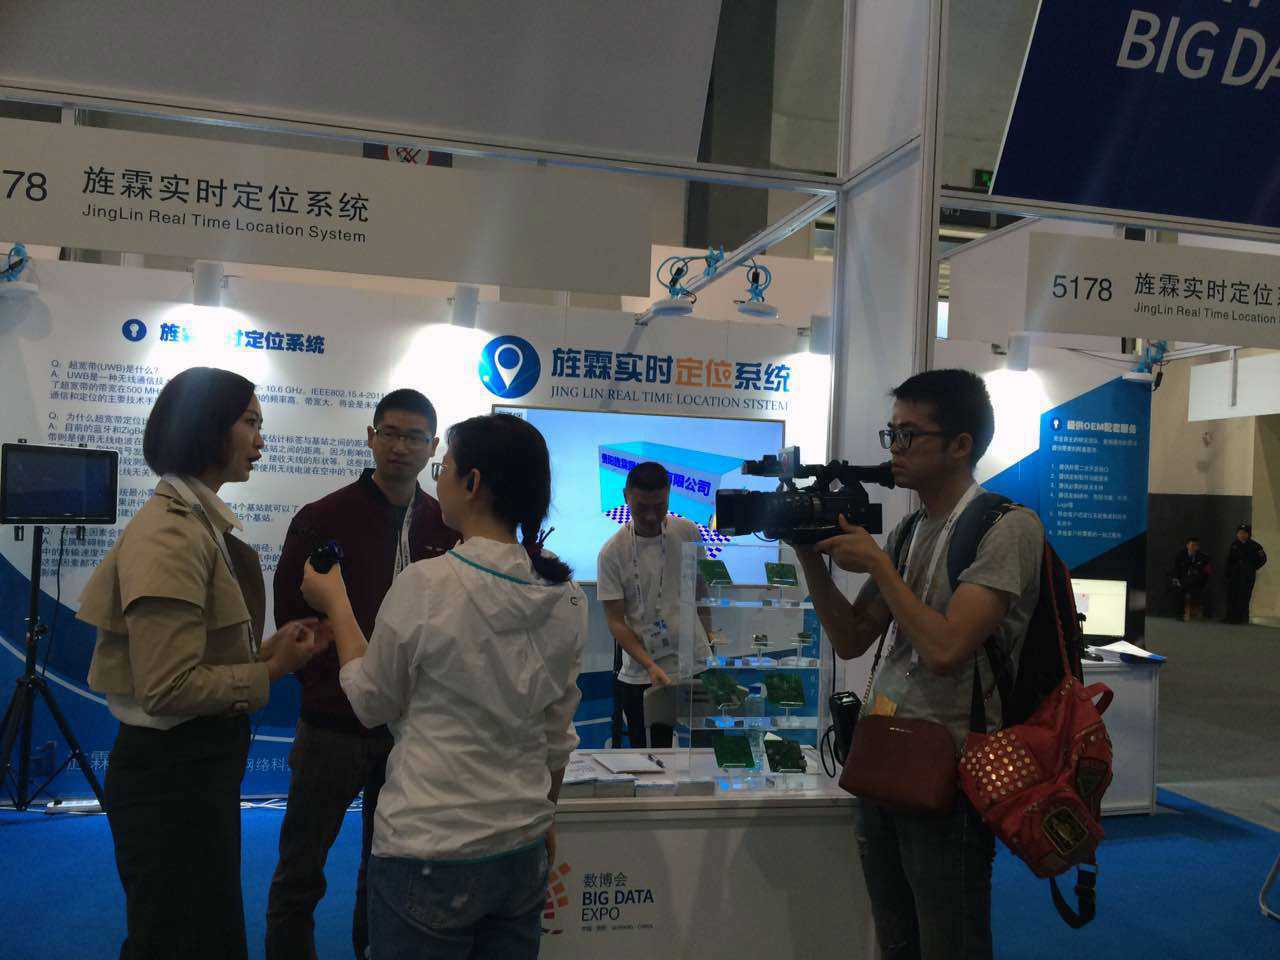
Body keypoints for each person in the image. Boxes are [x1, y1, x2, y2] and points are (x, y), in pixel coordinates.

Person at [299, 413, 585, 960]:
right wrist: (543, 814)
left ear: (471, 483)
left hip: (431, 846)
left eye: (444, 467)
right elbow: (557, 734)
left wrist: (336, 603)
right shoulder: (566, 595)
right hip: (520, 845)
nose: (438, 479)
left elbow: (371, 701)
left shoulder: (427, 585)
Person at [76, 366, 325, 960]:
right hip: (171, 780)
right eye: (250, 422)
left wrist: (265, 654)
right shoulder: (171, 534)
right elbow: (168, 687)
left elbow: (192, 658)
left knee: (200, 931)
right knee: (177, 938)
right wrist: (268, 673)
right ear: (208, 427)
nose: (261, 440)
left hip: (193, 773)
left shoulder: (198, 523)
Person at [795, 369, 1044, 960]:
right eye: (892, 434)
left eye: (909, 435)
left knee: (949, 943)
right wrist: (807, 555)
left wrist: (880, 567)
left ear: (960, 444)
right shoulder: (910, 530)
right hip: (886, 759)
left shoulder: (1007, 527)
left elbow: (946, 649)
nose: (895, 450)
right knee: (897, 941)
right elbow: (852, 638)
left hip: (950, 771)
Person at [266, 389, 459, 960]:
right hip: (333, 723)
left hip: (411, 730)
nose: (400, 447)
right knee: (301, 869)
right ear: (370, 437)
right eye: (390, 434)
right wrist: (336, 685)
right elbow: (293, 616)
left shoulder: (445, 524)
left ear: (433, 447)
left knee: (389, 870)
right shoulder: (323, 517)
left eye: (414, 437)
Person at [597, 461, 711, 748]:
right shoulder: (612, 552)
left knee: (706, 750)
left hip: (694, 663)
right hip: (642, 673)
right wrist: (649, 665)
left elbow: (701, 588)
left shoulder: (688, 532)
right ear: (626, 496)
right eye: (641, 507)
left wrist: (709, 637)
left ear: (669, 495)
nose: (651, 516)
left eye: (659, 507)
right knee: (650, 757)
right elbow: (615, 621)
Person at [1224, 523, 1267, 624]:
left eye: (1243, 533)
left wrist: (1252, 568)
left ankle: (1241, 618)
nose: (1241, 535)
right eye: (1239, 533)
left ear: (1248, 534)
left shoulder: (1255, 546)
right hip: (1235, 575)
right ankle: (1230, 616)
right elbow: (1229, 560)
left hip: (1247, 576)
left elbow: (1263, 559)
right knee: (1232, 595)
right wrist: (1228, 572)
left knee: (1243, 596)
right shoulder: (1234, 545)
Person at [1172, 538, 1212, 622]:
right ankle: (1180, 613)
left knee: (1203, 591)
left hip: (1197, 581)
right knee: (1179, 589)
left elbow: (1207, 572)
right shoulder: (1180, 555)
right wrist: (1176, 578)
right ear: (1187, 546)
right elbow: (1176, 569)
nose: (1194, 547)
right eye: (1192, 545)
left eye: (1196, 546)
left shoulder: (1204, 557)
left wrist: (1203, 581)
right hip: (1183, 580)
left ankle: (1201, 614)